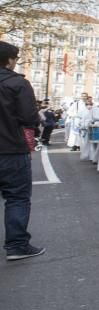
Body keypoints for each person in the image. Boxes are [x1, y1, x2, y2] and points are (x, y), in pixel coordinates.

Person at [1, 41, 44, 262]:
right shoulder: (17, 83)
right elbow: (29, 117)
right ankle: (16, 245)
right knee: (17, 197)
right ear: (10, 59)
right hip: (10, 149)